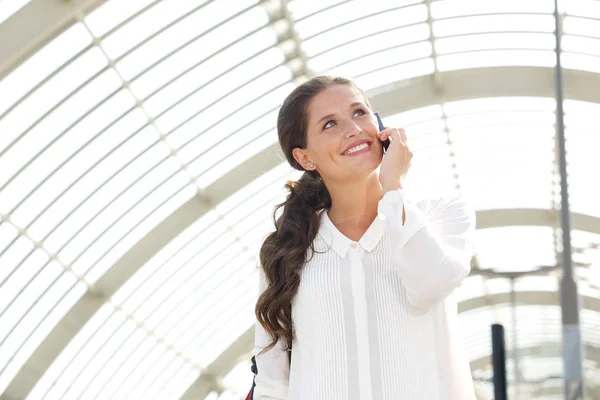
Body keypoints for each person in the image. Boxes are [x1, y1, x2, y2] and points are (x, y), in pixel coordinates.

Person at [252, 76, 476, 400]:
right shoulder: (285, 253)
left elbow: (430, 285)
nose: (353, 129)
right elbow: (272, 386)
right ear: (304, 158)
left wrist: (394, 189)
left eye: (359, 113)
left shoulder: (442, 216)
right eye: (330, 124)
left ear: (379, 124)